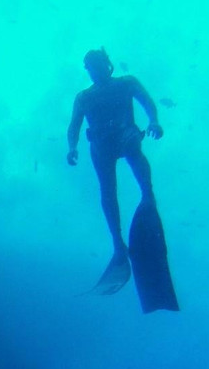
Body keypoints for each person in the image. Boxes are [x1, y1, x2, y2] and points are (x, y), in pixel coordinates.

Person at [67, 48, 164, 294]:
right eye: (89, 67)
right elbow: (74, 126)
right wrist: (72, 147)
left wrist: (154, 121)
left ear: (106, 64)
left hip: (126, 135)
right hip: (101, 145)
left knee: (133, 151)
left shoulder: (126, 82)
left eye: (97, 65)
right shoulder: (83, 97)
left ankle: (147, 196)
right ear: (87, 70)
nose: (94, 70)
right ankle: (118, 244)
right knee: (108, 191)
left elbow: (148, 103)